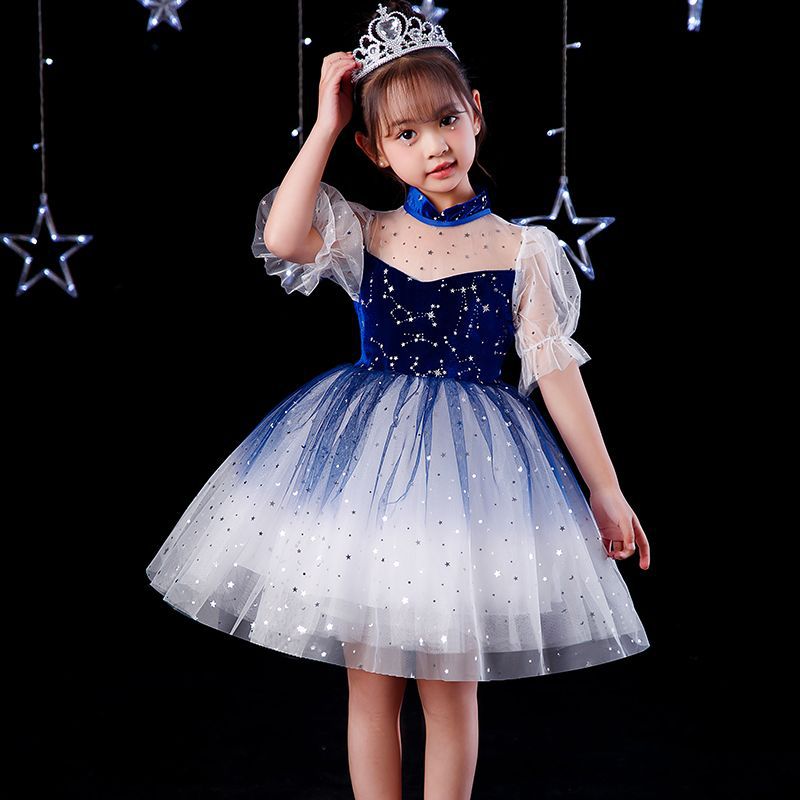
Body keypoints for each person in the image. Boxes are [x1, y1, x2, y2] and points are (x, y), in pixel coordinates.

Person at [145, 3, 652, 798]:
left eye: (446, 120)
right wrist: (325, 124)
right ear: (375, 151)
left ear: (475, 113)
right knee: (371, 683)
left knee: (450, 690)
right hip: (368, 481)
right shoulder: (369, 231)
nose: (434, 146)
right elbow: (282, 238)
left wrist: (607, 487)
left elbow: (556, 372)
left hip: (470, 485)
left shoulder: (523, 249)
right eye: (405, 134)